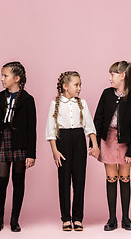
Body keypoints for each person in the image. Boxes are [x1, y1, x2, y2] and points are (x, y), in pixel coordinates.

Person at [0, 62, 36, 232]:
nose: (2, 79)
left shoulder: (28, 100)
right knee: (1, 181)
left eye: (5, 75)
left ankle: (14, 219)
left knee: (18, 181)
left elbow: (31, 129)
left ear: (17, 78)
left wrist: (31, 153)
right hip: (2, 139)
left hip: (20, 142)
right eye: (2, 75)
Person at [45, 71, 99, 231]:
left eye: (80, 84)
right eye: (76, 85)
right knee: (64, 181)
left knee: (79, 180)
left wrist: (94, 144)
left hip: (78, 139)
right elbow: (51, 129)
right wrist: (54, 150)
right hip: (63, 140)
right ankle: (66, 218)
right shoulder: (54, 104)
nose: (79, 88)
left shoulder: (82, 103)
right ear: (65, 86)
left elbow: (89, 126)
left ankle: (78, 218)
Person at [93, 61, 131, 231]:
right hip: (107, 140)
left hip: (125, 142)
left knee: (125, 177)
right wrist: (95, 144)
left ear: (122, 76)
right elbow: (98, 119)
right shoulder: (106, 94)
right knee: (111, 177)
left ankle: (126, 218)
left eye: (112, 74)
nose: (109, 78)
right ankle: (112, 218)